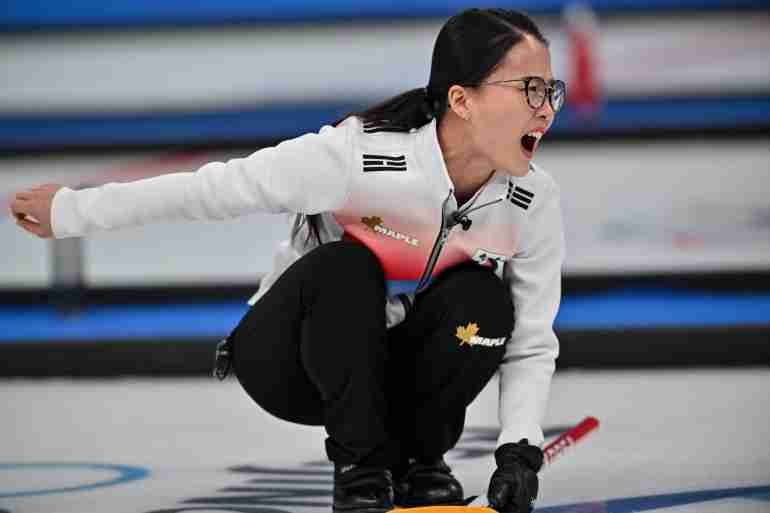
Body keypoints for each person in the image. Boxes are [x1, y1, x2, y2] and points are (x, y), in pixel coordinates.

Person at [10, 8, 566, 513]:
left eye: (551, 91)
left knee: (485, 302)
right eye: (529, 90)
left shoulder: (533, 201)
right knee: (346, 269)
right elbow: (214, 190)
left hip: (393, 372)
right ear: (461, 100)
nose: (545, 111)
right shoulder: (358, 156)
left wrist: (519, 450)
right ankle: (361, 472)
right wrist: (74, 211)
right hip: (293, 362)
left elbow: (532, 340)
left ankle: (419, 462)